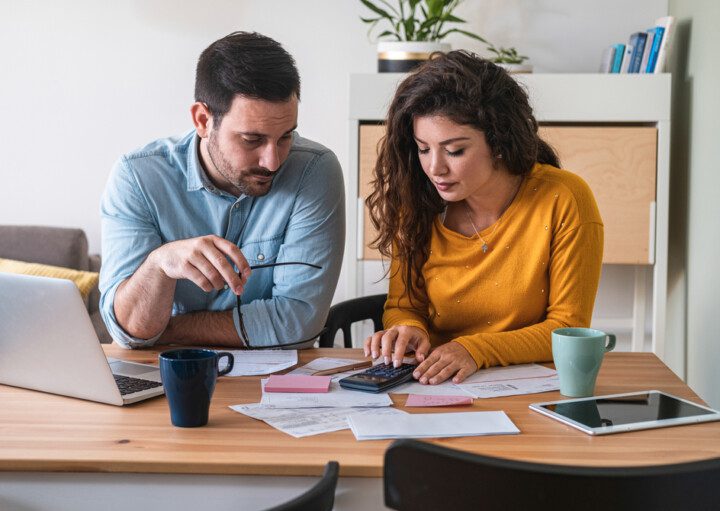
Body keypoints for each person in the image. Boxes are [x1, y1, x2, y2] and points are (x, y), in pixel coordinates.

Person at [364, 51, 603, 384]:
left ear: (499, 142)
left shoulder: (564, 198)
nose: (435, 168)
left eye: (455, 150)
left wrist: (475, 350)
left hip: (529, 387)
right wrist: (409, 330)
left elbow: (566, 328)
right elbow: (404, 305)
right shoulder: (417, 202)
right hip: (435, 382)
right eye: (423, 148)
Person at [99, 32, 345, 349]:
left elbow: (298, 323)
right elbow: (128, 329)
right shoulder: (137, 178)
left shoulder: (314, 171)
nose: (272, 161)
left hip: (272, 384)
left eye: (285, 136)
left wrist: (166, 330)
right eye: (252, 140)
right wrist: (160, 264)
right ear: (203, 120)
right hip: (164, 377)